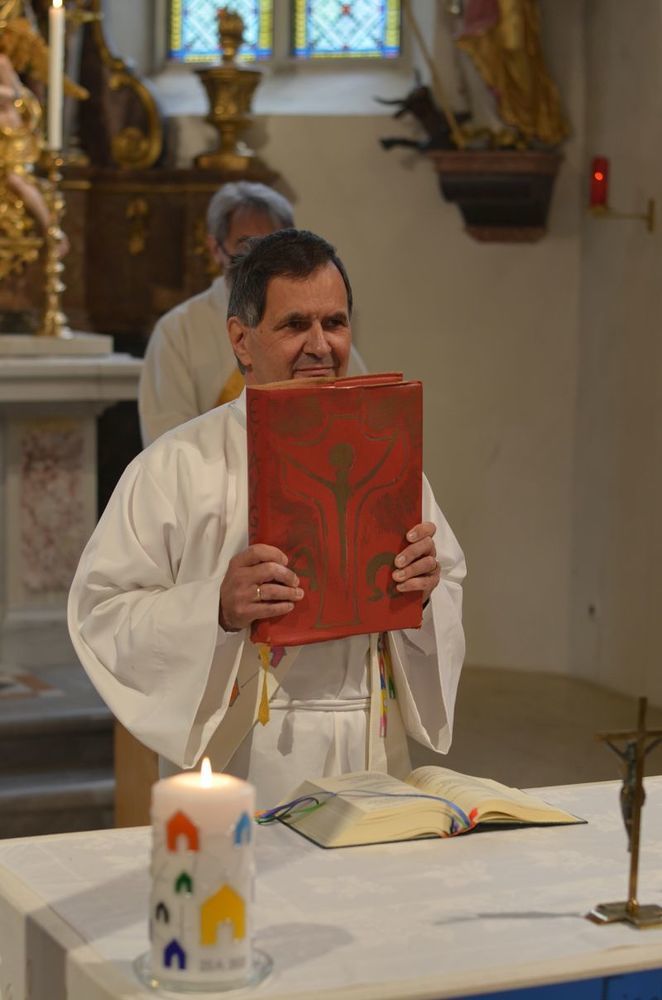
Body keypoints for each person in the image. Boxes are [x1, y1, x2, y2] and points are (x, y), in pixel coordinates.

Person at [68, 229, 466, 808]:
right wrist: (216, 607)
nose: (320, 345)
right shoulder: (176, 466)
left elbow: (447, 583)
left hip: (370, 745)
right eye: (294, 324)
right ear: (241, 339)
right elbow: (101, 612)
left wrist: (426, 594)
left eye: (335, 322)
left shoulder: (388, 457)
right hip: (243, 759)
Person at [138, 181, 367, 446]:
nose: (318, 346)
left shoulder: (323, 339)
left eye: (274, 245)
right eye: (294, 324)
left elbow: (359, 414)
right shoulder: (178, 331)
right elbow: (169, 442)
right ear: (215, 249)